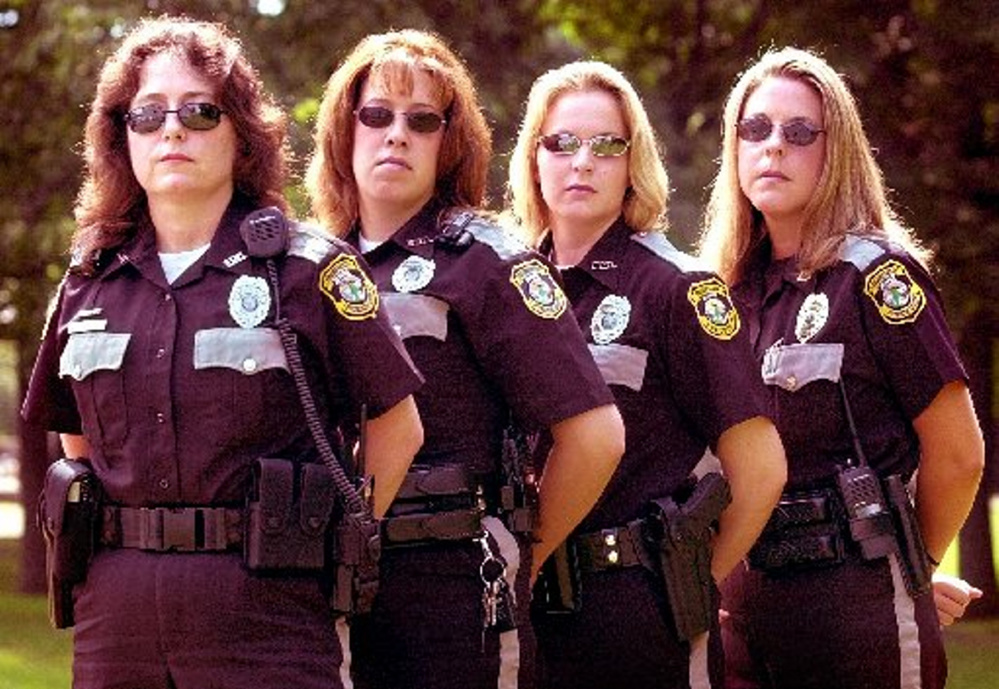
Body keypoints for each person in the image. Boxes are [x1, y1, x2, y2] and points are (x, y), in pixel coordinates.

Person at [21, 16, 424, 689]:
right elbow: (77, 439)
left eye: (199, 111)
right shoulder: (89, 280)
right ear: (122, 136)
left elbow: (396, 424)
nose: (171, 129)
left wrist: (337, 533)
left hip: (267, 618)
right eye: (147, 114)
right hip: (115, 621)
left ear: (240, 132)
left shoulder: (310, 271)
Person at [304, 30, 625, 689]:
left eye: (422, 120)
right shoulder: (304, 266)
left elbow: (594, 436)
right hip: (317, 587)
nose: (396, 134)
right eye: (377, 114)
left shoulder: (488, 263)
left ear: (448, 142)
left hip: (450, 588)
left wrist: (522, 553)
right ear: (345, 127)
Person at [698, 46, 985, 689]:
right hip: (740, 611)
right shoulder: (721, 294)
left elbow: (959, 452)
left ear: (837, 151)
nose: (773, 147)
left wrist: (914, 566)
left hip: (852, 607)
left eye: (799, 133)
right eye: (755, 129)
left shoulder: (877, 279)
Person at [506, 60, 787, 689]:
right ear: (533, 159)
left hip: (637, 612)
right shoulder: (507, 290)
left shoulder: (677, 291)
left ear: (634, 162)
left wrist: (690, 577)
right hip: (524, 609)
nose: (582, 162)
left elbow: (761, 469)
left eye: (606, 145)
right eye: (562, 143)